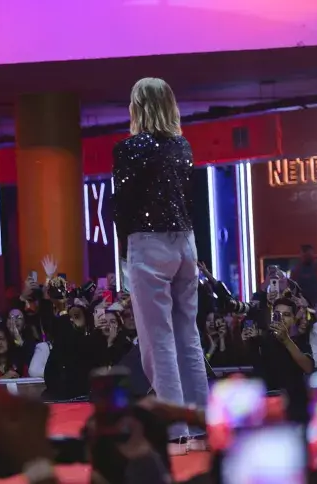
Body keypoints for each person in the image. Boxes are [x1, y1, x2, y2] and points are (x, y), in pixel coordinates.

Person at [112, 77, 207, 455]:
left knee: (159, 338)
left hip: (148, 243)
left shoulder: (129, 148)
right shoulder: (182, 145)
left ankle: (174, 432)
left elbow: (124, 204)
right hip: (185, 241)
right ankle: (201, 429)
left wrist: (125, 248)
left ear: (137, 106)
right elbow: (188, 197)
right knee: (189, 335)